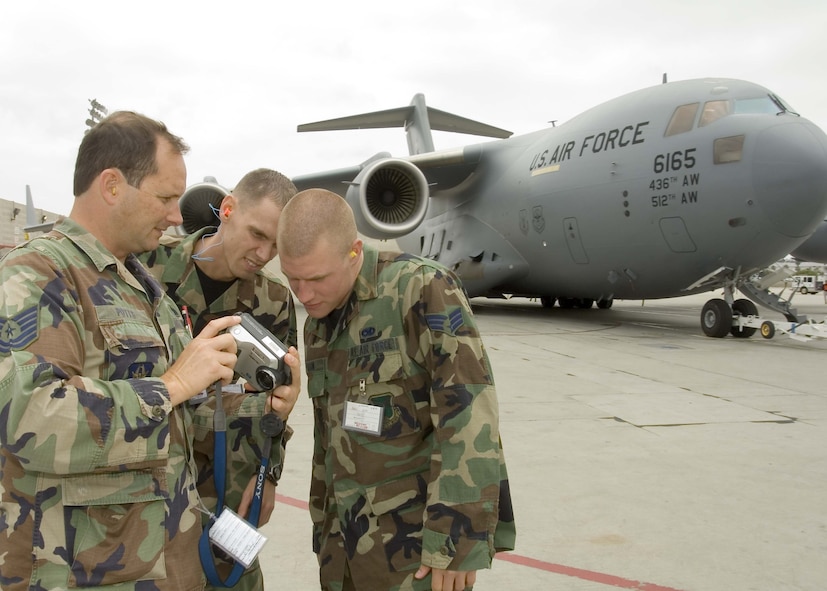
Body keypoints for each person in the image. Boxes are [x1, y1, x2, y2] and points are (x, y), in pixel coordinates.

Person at [0, 111, 251, 590]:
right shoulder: (38, 274)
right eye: (165, 198)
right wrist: (171, 384)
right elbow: (28, 419)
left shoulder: (140, 284)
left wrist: (264, 405)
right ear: (112, 186)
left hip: (163, 565)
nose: (178, 216)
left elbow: (183, 413)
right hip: (81, 572)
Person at [276, 189, 516, 591]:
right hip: (345, 545)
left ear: (354, 252)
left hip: (414, 550)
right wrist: (324, 530)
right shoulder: (317, 323)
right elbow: (329, 439)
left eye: (316, 278)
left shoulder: (421, 289)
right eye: (291, 278)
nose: (304, 295)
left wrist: (456, 541)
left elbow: (471, 415)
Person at [139, 168, 301, 591]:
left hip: (231, 481)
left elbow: (278, 404)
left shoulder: (274, 300)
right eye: (256, 234)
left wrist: (269, 479)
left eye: (276, 246)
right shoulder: (147, 269)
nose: (264, 253)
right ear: (227, 209)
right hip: (155, 483)